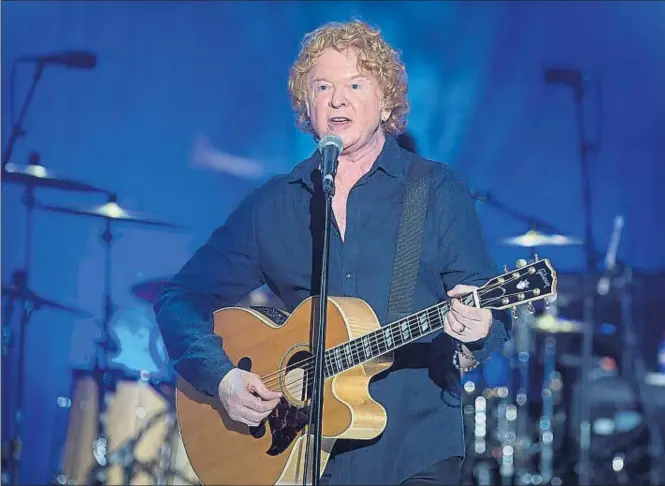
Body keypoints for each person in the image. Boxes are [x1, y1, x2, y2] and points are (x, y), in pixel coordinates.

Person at [154, 19, 510, 486]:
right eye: (323, 86)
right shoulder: (275, 205)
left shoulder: (435, 189)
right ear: (307, 106)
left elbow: (491, 310)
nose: (338, 99)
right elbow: (178, 299)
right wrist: (222, 378)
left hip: (414, 451)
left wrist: (478, 327)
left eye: (355, 84)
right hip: (300, 458)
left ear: (385, 101)